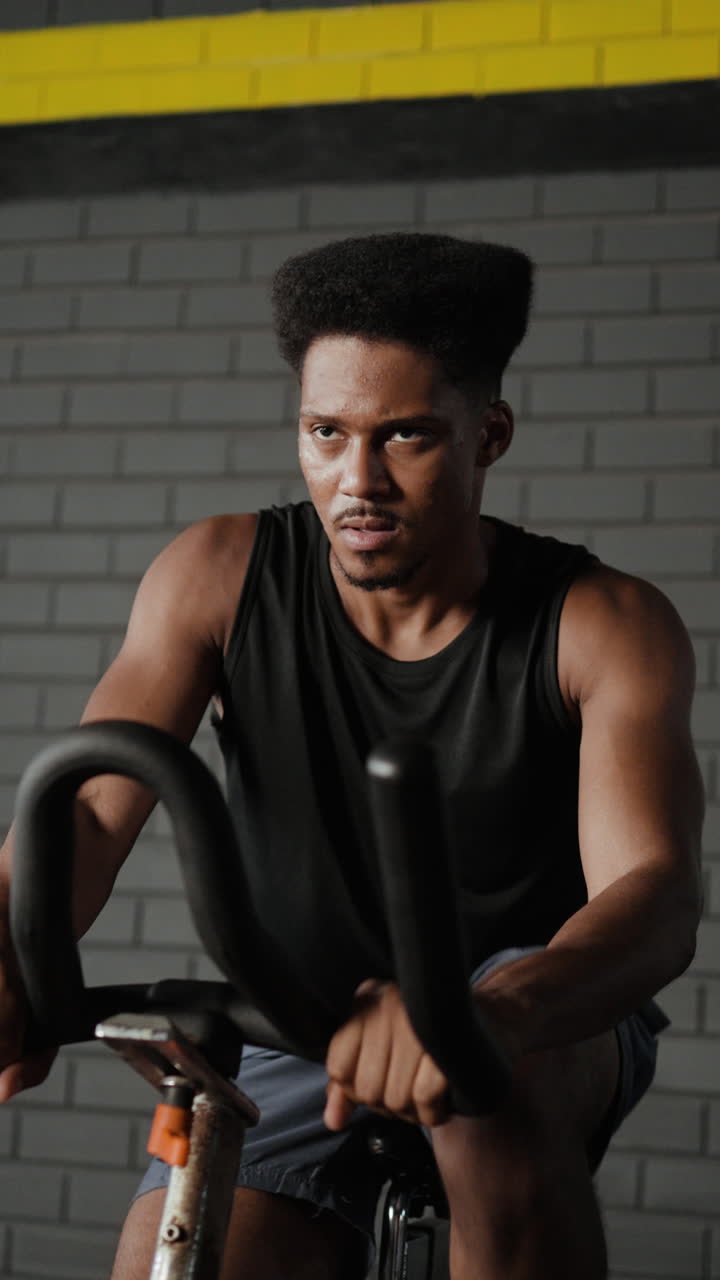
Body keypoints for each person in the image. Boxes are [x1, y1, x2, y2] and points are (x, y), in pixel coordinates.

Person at [0, 232, 704, 1280]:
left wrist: (490, 1011)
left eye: (406, 435)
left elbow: (650, 893)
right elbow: (95, 815)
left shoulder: (602, 621)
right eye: (325, 432)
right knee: (180, 1256)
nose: (355, 478)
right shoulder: (218, 574)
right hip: (297, 1014)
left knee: (487, 1099)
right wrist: (11, 933)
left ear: (489, 433)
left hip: (532, 1011)